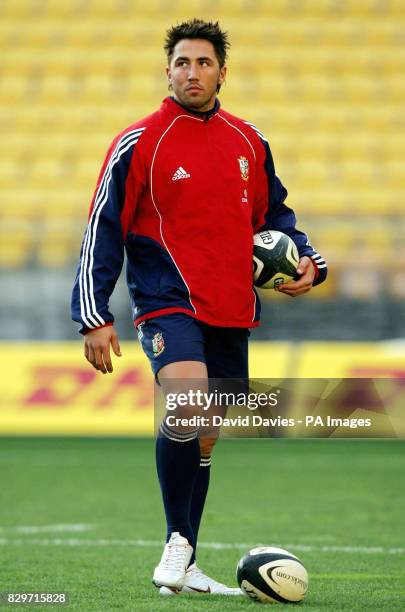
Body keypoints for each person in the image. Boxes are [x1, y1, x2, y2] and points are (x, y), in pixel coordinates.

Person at [71, 19, 327, 596]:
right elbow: (102, 228)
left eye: (204, 63)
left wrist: (309, 261)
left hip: (233, 305)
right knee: (186, 404)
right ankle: (176, 546)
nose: (193, 72)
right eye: (182, 63)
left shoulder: (248, 141)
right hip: (167, 299)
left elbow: (276, 218)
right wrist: (93, 313)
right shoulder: (140, 141)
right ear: (168, 71)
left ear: (221, 73)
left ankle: (184, 560)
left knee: (206, 433)